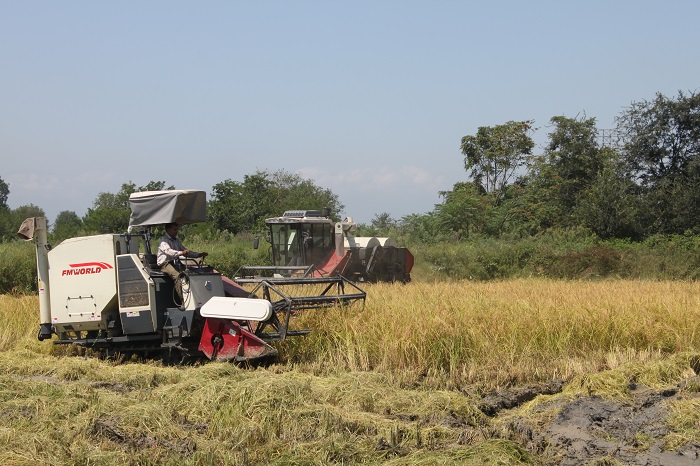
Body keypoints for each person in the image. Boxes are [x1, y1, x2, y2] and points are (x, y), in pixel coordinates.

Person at [157, 222, 207, 304]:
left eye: (177, 229)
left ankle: (196, 298)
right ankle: (182, 301)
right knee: (177, 276)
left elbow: (186, 252)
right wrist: (181, 253)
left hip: (174, 262)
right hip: (165, 264)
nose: (176, 231)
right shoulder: (164, 241)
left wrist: (199, 254)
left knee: (190, 273)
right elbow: (169, 252)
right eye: (174, 229)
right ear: (168, 230)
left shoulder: (176, 241)